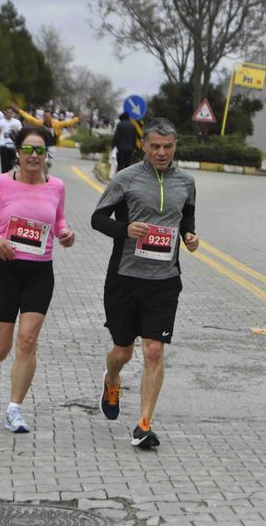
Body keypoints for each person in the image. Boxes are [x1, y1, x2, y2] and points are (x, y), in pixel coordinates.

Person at [91, 117, 198, 449]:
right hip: (125, 277)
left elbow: (187, 216)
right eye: (155, 146)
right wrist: (126, 230)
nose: (162, 152)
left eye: (168, 147)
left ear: (175, 146)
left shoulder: (186, 181)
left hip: (165, 280)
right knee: (122, 351)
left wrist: (191, 236)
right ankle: (112, 379)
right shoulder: (126, 178)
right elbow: (97, 218)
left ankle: (144, 424)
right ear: (143, 145)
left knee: (153, 350)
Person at [0, 126, 75, 433]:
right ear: (17, 153)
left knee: (27, 341)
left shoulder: (56, 186)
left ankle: (14, 410)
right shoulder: (1, 183)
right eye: (27, 150)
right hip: (5, 271)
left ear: (47, 155)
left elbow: (58, 222)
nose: (33, 156)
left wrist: (66, 234)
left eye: (39, 151)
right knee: (2, 348)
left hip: (40, 274)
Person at [0, 106, 23, 174]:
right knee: (4, 165)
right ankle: (4, 177)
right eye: (8, 112)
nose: (9, 114)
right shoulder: (0, 122)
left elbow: (21, 133)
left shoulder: (17, 122)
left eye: (11, 113)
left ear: (13, 113)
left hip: (13, 145)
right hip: (3, 145)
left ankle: (9, 168)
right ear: (5, 112)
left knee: (11, 163)